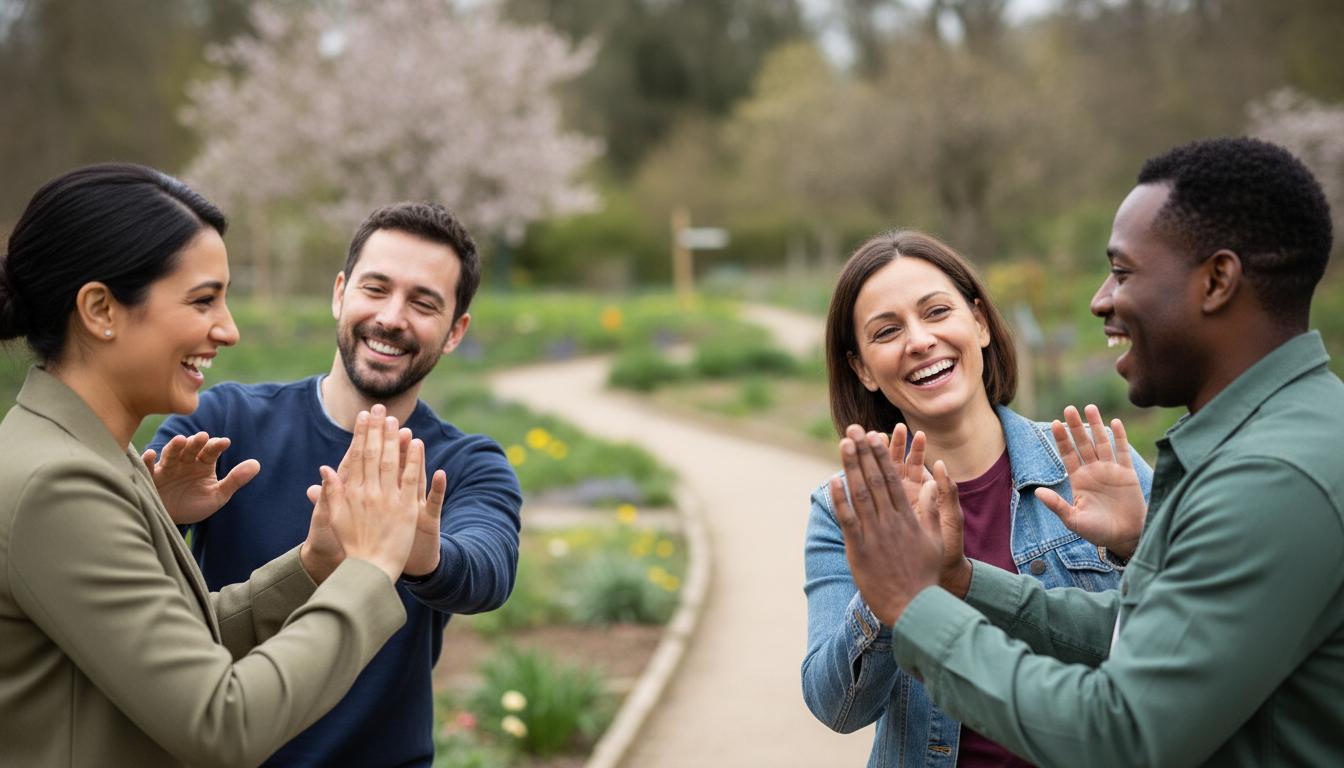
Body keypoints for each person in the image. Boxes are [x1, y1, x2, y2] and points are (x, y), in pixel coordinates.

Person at [832, 137, 1344, 767]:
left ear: (1217, 281)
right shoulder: (1272, 440)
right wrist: (959, 581)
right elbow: (1137, 630)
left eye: (1123, 272)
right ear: (861, 367)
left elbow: (1120, 733)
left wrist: (914, 606)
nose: (1101, 299)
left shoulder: (1272, 475)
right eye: (887, 331)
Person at [0, 162, 437, 767]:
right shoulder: (60, 484)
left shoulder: (93, 453)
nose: (227, 330)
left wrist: (316, 565)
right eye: (203, 300)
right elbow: (221, 722)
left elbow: (186, 648)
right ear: (100, 309)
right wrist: (370, 567)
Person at [149, 202, 523, 767]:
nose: (393, 317)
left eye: (424, 303)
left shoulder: (467, 463)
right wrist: (162, 514)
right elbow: (122, 561)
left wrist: (426, 557)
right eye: (376, 289)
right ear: (339, 293)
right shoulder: (221, 423)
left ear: (454, 332)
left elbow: (489, 569)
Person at [803, 229, 1154, 766]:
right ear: (862, 369)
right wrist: (886, 583)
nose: (919, 340)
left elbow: (1187, 642)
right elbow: (838, 709)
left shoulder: (1097, 466)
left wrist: (1135, 546)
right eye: (887, 331)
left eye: (937, 312)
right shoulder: (846, 510)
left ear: (981, 323)